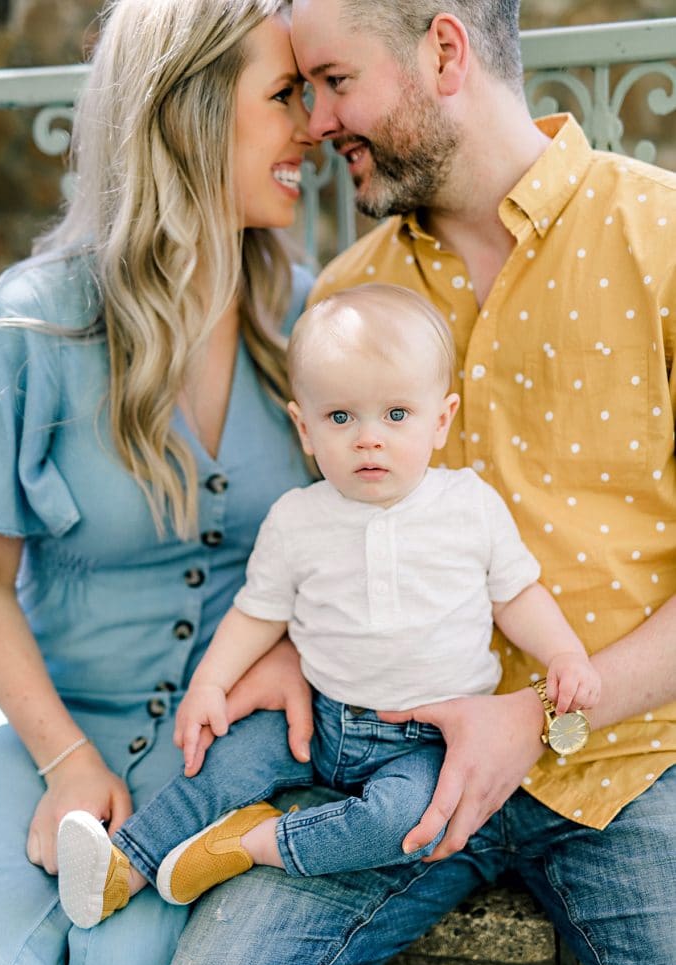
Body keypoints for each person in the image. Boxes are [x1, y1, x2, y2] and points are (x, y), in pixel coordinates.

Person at [150, 3, 676, 965]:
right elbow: (333, 536)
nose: (312, 123)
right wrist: (293, 648)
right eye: (300, 94)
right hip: (385, 769)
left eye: (333, 82)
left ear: (443, 49)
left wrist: (535, 717)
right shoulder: (346, 299)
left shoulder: (659, 240)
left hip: (622, 761)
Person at [56, 282, 602, 926]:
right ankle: (125, 865)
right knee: (220, 761)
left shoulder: (468, 506)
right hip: (316, 718)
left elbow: (517, 596)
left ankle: (255, 843)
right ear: (305, 427)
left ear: (442, 419)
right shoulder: (298, 519)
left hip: (426, 741)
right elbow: (259, 613)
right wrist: (210, 681)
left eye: (396, 415)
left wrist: (564, 652)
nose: (369, 439)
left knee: (412, 824)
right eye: (341, 418)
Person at [0, 0, 319, 965]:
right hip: (52, 736)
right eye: (281, 97)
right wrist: (63, 760)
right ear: (190, 114)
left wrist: (298, 652)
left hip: (215, 783)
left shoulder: (311, 326)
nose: (309, 126)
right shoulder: (33, 327)